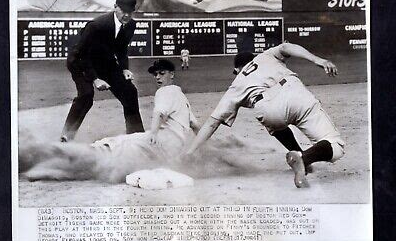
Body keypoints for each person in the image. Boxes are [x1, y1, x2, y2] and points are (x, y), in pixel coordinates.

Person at [186, 42, 345, 188]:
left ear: (237, 70)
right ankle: (303, 158)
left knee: (275, 127)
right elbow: (286, 47)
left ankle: (298, 155)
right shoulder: (266, 55)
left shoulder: (235, 85)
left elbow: (212, 123)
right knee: (335, 145)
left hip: (267, 110)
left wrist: (189, 153)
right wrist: (318, 60)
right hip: (294, 92)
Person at [21, 59, 200, 183]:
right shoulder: (183, 98)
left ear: (172, 75)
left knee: (111, 146)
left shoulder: (165, 92)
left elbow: (159, 113)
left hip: (158, 142)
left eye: (162, 73)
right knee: (119, 153)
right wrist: (197, 149)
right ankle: (56, 167)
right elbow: (196, 126)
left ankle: (49, 160)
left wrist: (153, 133)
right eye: (156, 74)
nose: (158, 77)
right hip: (170, 151)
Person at [60, 0, 144, 142]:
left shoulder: (131, 25)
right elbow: (83, 55)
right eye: (123, 10)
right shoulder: (97, 25)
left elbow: (122, 49)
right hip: (80, 62)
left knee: (130, 91)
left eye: (130, 12)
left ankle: (136, 137)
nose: (126, 15)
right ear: (115, 7)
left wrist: (124, 68)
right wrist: (95, 79)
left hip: (105, 62)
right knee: (86, 95)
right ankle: (66, 136)